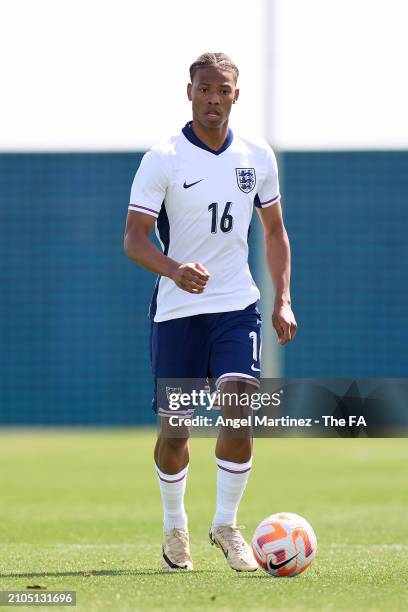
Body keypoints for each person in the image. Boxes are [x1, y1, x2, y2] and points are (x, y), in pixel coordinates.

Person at [124, 52, 297, 572]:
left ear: (235, 96)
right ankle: (175, 527)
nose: (214, 99)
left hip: (236, 305)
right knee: (176, 431)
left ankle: (226, 523)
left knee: (240, 408)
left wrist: (283, 298)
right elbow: (134, 240)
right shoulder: (164, 157)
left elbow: (274, 232)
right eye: (205, 89)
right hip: (177, 310)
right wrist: (174, 270)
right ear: (190, 92)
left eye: (223, 90)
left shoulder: (256, 156)